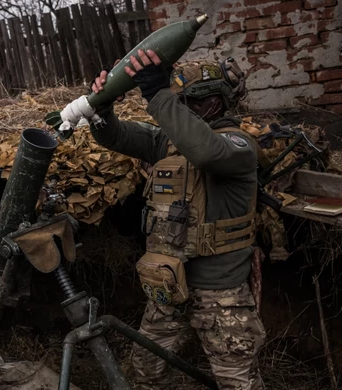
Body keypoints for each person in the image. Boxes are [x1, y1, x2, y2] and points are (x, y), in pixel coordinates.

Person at [60, 50, 267, 390]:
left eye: (191, 102)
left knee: (238, 383)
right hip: (167, 285)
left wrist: (158, 95)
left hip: (221, 295)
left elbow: (206, 151)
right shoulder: (168, 143)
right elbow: (116, 136)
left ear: (215, 103)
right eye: (179, 102)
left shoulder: (238, 145)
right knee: (146, 370)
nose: (182, 110)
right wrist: (102, 107)